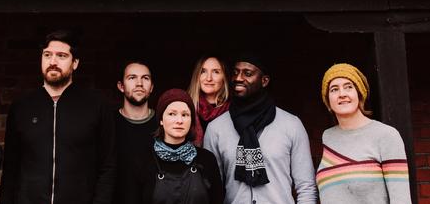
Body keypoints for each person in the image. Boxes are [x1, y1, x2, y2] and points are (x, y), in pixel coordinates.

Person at [0, 30, 115, 204]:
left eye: (61, 56)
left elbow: (108, 166)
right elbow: (10, 169)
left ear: (75, 63)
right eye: (47, 55)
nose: (53, 62)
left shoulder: (96, 106)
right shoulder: (22, 107)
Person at [204, 53, 317, 204]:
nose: (238, 78)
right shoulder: (216, 129)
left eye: (247, 73)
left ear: (264, 81)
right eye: (235, 72)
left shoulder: (291, 125)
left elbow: (306, 188)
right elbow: (211, 190)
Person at [316, 63, 411, 203]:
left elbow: (401, 200)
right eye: (334, 89)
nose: (342, 94)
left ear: (359, 94)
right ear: (328, 101)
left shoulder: (386, 135)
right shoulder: (328, 137)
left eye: (348, 87)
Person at [129, 88, 224, 204]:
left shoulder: (206, 159)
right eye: (172, 114)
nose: (179, 120)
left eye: (185, 115)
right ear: (161, 120)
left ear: (191, 121)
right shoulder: (143, 160)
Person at [114, 60, 158, 204]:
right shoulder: (108, 124)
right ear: (121, 86)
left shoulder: (163, 124)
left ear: (151, 87)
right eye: (132, 78)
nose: (139, 83)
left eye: (145, 78)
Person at [187, 55, 230, 146]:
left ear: (224, 77)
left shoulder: (234, 108)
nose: (209, 78)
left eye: (216, 72)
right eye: (203, 71)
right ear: (197, 76)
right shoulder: (186, 106)